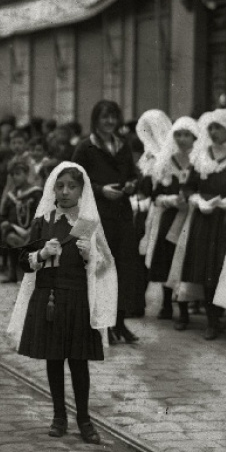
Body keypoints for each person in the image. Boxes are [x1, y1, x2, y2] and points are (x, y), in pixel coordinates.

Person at [7, 162, 116, 444]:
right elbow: (23, 261)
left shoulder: (89, 223)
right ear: (52, 188)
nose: (65, 192)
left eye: (72, 186)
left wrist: (91, 256)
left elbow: (106, 267)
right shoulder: (44, 221)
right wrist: (41, 254)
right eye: (60, 186)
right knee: (54, 359)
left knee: (78, 362)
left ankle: (84, 419)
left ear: (82, 190)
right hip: (50, 297)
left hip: (78, 298)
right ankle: (58, 415)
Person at [72, 100, 146, 344]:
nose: (110, 122)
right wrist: (101, 190)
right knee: (99, 267)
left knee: (124, 269)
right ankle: (98, 323)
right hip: (97, 215)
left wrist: (132, 184)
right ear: (96, 119)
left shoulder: (122, 146)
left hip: (122, 214)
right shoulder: (85, 148)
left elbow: (131, 174)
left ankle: (119, 323)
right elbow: (74, 181)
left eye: (114, 117)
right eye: (105, 117)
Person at [175, 109, 226, 342]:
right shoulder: (201, 156)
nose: (215, 132)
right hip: (205, 219)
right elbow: (189, 187)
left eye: (219, 127)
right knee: (207, 269)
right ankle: (212, 321)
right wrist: (197, 200)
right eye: (211, 128)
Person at [143, 117, 197, 329]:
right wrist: (171, 200)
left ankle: (183, 308)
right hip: (170, 216)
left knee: (185, 262)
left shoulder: (200, 161)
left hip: (190, 217)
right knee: (167, 258)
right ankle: (166, 304)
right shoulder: (166, 162)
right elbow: (156, 196)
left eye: (187, 135)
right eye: (178, 134)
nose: (183, 139)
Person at [0, 156, 42, 283]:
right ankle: (12, 273)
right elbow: (4, 213)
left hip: (32, 230)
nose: (15, 177)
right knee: (9, 236)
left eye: (18, 174)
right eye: (12, 175)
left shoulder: (35, 193)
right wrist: (4, 221)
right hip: (15, 229)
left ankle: (29, 275)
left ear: (27, 174)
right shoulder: (12, 195)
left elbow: (40, 212)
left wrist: (32, 228)